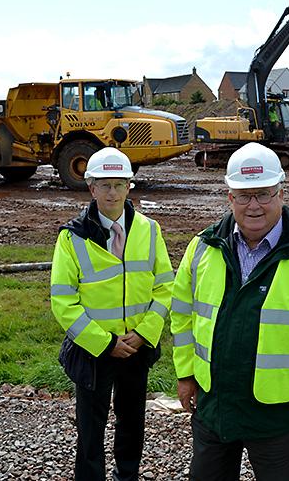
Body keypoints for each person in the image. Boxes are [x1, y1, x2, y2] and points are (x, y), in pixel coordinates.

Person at [170, 142, 289, 481]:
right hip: (214, 404)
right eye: (244, 196)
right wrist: (185, 374)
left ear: (281, 193)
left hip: (276, 413)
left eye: (264, 195)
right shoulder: (202, 248)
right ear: (230, 198)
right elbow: (182, 317)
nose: (254, 206)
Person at [50, 147, 174, 481]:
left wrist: (145, 332)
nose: (112, 192)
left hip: (135, 347)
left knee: (132, 426)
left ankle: (127, 477)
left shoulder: (149, 231)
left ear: (129, 186)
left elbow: (165, 288)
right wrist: (104, 343)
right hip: (95, 352)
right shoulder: (71, 237)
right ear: (91, 188)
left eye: (119, 184)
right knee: (90, 433)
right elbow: (62, 300)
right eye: (104, 185)